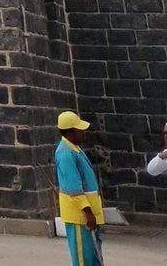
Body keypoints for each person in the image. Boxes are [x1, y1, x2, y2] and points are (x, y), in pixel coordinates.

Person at [55, 109, 103, 266]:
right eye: (79, 129)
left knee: (94, 258)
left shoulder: (75, 148)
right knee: (84, 260)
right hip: (80, 217)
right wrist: (88, 213)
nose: (83, 132)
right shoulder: (66, 153)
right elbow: (74, 188)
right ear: (70, 132)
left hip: (88, 215)